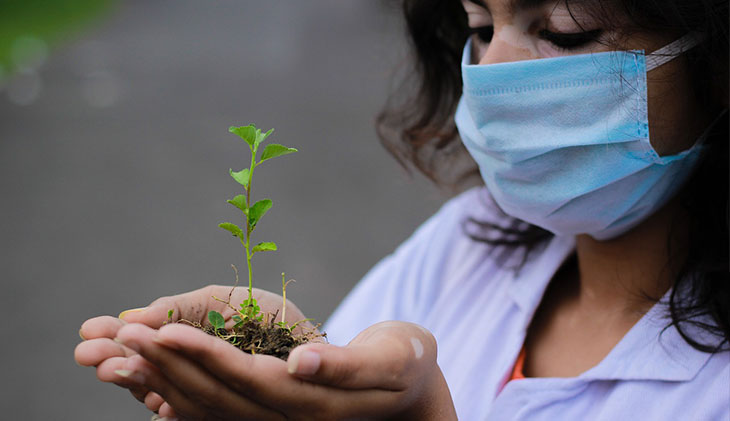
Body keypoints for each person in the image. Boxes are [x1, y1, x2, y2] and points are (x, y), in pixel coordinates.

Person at [75, 0, 729, 419]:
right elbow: (330, 370)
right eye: (479, 25)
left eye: (564, 30)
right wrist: (301, 372)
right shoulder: (466, 244)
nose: (490, 70)